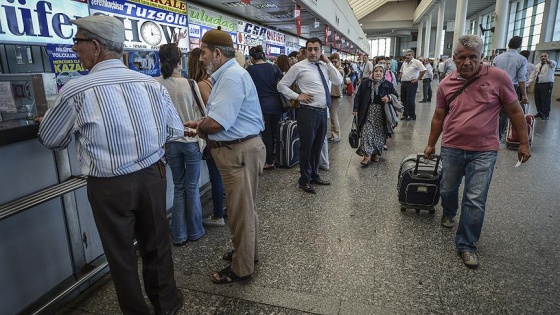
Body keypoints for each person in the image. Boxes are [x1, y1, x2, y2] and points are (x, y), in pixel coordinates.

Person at [37, 16, 184, 314]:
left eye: (77, 42)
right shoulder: (150, 84)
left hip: (109, 186)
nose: (74, 48)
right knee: (157, 244)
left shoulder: (77, 90)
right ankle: (166, 305)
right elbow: (175, 130)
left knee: (121, 255)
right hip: (152, 175)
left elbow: (51, 138)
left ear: (95, 45)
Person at [423, 35, 531, 269]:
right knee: (447, 188)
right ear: (454, 59)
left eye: (473, 57)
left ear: (482, 57)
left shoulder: (498, 78)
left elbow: (514, 111)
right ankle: (449, 211)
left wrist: (524, 142)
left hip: (484, 150)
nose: (467, 62)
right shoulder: (446, 84)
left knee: (475, 199)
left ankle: (467, 244)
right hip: (452, 147)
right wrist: (431, 144)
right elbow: (438, 117)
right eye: (462, 57)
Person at [184, 28, 266, 284]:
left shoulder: (230, 77)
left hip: (238, 153)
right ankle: (247, 253)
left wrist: (199, 127)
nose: (201, 58)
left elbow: (218, 123)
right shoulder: (230, 75)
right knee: (244, 208)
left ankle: (241, 268)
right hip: (241, 150)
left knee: (240, 212)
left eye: (204, 53)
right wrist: (201, 123)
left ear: (217, 53)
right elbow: (224, 117)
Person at [278, 37, 343, 194]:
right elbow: (281, 85)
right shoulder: (299, 67)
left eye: (316, 49)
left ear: (321, 51)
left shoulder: (324, 66)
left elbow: (338, 80)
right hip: (308, 112)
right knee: (307, 148)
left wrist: (328, 62)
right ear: (305, 50)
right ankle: (304, 180)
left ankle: (314, 174)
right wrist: (297, 96)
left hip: (322, 112)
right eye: (310, 49)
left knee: (317, 147)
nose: (313, 52)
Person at [157, 44, 206, 246]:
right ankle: (195, 231)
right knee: (192, 186)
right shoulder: (190, 83)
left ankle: (178, 234)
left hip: (170, 143)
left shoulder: (155, 84)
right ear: (180, 60)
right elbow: (202, 113)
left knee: (178, 186)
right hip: (191, 140)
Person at [187, 48, 226, 227]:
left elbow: (210, 112)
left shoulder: (200, 84)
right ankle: (223, 209)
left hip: (209, 134)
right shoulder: (210, 81)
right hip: (215, 134)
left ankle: (218, 214)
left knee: (215, 175)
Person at [247, 45, 284, 170]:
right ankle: (276, 157)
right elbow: (284, 81)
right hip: (277, 105)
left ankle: (268, 161)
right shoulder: (273, 67)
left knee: (266, 134)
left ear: (252, 58)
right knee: (274, 133)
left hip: (261, 106)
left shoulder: (250, 70)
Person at [353, 64, 399, 166]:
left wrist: (389, 98)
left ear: (383, 73)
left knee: (379, 134)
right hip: (367, 112)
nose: (378, 73)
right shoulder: (365, 83)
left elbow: (395, 96)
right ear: (372, 73)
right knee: (366, 132)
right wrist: (356, 109)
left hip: (382, 114)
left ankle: (376, 153)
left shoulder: (388, 84)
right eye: (376, 71)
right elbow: (358, 97)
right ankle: (367, 155)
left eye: (380, 71)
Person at [492, 36, 528, 141]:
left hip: (495, 86)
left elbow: (492, 73)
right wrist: (524, 95)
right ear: (519, 46)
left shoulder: (498, 58)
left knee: (495, 110)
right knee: (506, 113)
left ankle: (492, 133)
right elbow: (521, 78)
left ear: (508, 44)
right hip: (511, 87)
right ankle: (499, 136)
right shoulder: (522, 59)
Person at [399, 49, 426, 121]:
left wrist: (418, 79)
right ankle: (405, 114)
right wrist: (401, 78)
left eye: (409, 55)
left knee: (410, 100)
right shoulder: (404, 63)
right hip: (404, 83)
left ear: (413, 55)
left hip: (412, 83)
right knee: (403, 100)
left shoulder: (417, 62)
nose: (407, 56)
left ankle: (412, 115)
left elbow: (423, 70)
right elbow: (401, 71)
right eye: (406, 55)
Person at [528, 51, 557, 120]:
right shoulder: (538, 65)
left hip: (547, 84)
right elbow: (533, 74)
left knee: (545, 100)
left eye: (545, 56)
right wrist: (529, 82)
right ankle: (540, 112)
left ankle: (546, 114)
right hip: (538, 84)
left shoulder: (552, 63)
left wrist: (548, 61)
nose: (543, 57)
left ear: (548, 57)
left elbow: (552, 64)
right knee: (537, 99)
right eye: (542, 56)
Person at [328, 53, 344, 143]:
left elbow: (338, 74)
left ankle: (336, 136)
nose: (333, 63)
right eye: (332, 61)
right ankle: (334, 135)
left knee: (334, 116)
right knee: (333, 116)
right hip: (333, 95)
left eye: (335, 61)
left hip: (336, 96)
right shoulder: (335, 69)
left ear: (339, 61)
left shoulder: (340, 70)